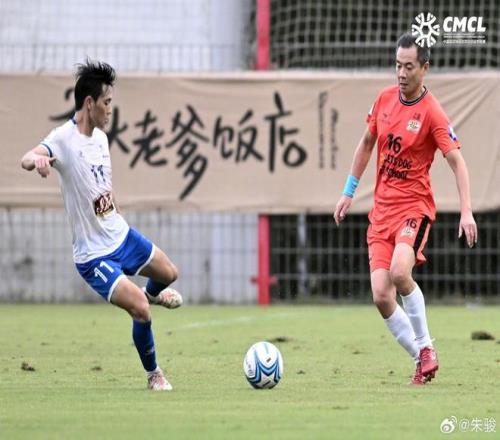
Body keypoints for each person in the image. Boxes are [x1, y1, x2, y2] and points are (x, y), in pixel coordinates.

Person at [21, 59, 183, 391]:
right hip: (94, 256)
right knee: (140, 309)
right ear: (89, 103)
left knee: (169, 273)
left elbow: (105, 192)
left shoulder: (101, 140)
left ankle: (151, 294)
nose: (110, 109)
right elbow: (27, 157)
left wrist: (119, 220)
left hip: (120, 235)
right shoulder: (63, 138)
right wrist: (37, 160)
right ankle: (154, 375)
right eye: (106, 102)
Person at [334, 34, 477, 385]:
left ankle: (426, 346)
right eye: (397, 65)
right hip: (381, 213)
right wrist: (348, 192)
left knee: (400, 272)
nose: (401, 73)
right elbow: (366, 143)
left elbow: (457, 162)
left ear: (424, 68)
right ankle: (421, 360)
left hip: (414, 208)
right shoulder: (384, 99)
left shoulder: (432, 112)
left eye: (408, 66)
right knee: (381, 296)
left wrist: (466, 211)